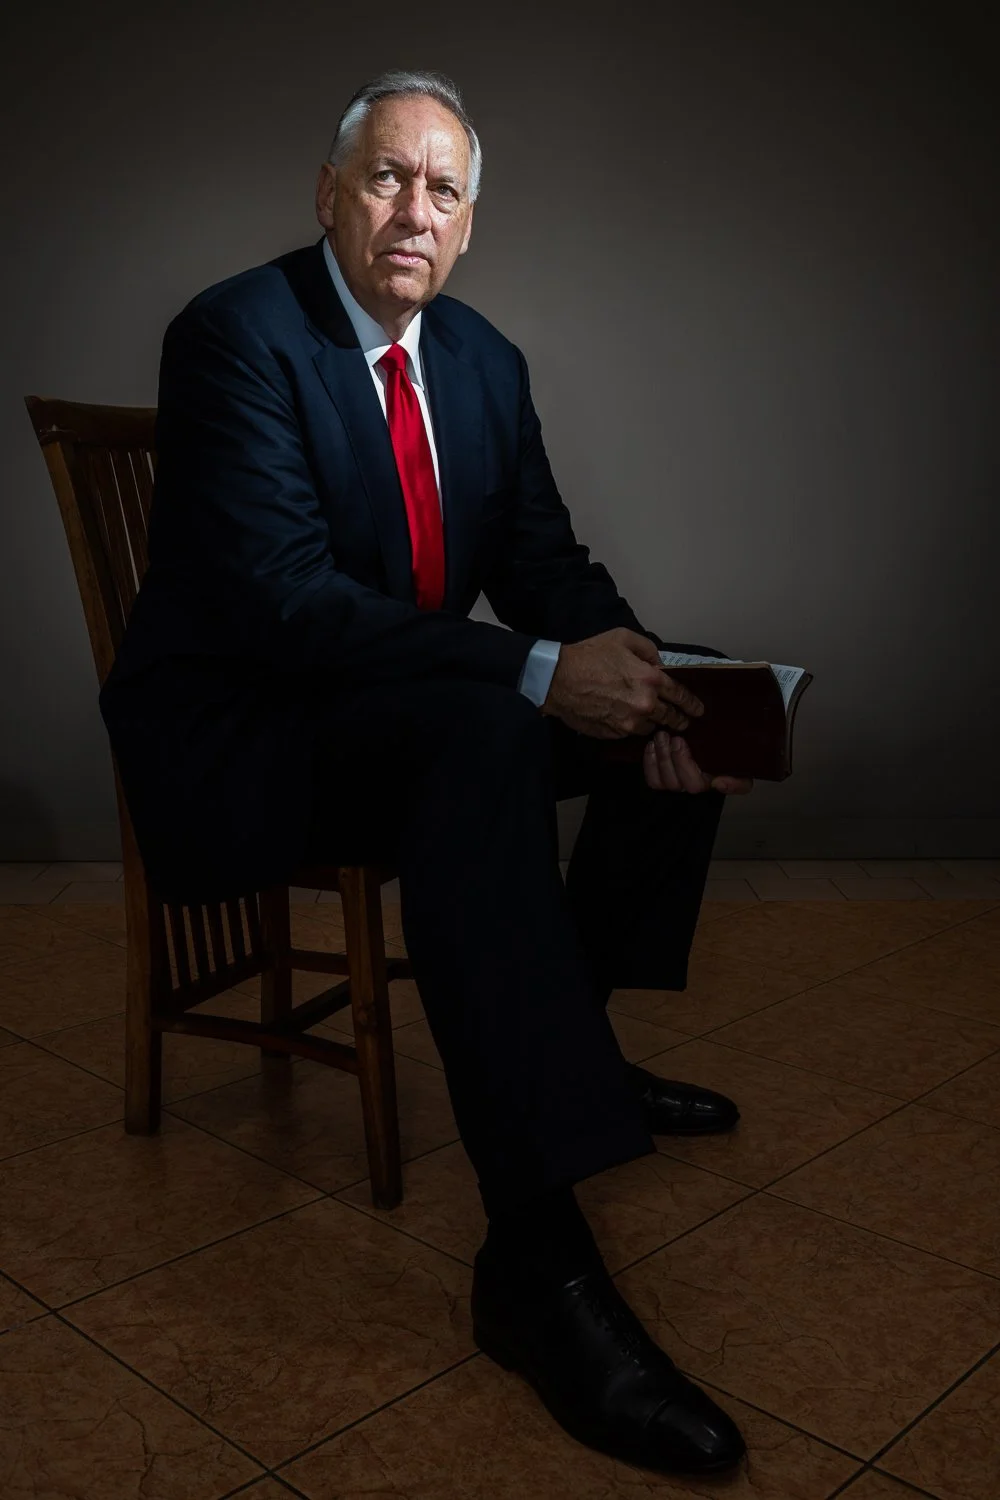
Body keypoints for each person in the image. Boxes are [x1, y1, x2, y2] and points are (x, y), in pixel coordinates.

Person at [100, 70, 758, 1476]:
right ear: (330, 195)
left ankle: (569, 1043)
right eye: (388, 177)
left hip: (391, 711)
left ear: (469, 229)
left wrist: (632, 661)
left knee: (668, 696)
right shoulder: (232, 336)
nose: (414, 208)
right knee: (491, 729)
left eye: (442, 190)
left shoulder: (481, 363)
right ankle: (536, 1270)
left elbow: (542, 567)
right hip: (243, 739)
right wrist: (531, 673)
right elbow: (284, 600)